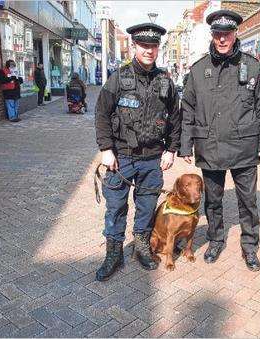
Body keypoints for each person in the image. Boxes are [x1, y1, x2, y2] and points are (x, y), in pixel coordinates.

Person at [179, 10, 260, 272]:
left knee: (247, 201)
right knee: (212, 200)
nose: (222, 39)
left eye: (227, 34)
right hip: (210, 146)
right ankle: (215, 239)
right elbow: (187, 109)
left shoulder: (252, 66)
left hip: (244, 147)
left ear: (235, 34)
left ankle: (250, 246)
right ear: (212, 35)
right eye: (218, 34)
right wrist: (185, 144)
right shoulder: (198, 70)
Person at [94, 22, 181, 281]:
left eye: (153, 46)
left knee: (146, 206)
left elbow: (176, 117)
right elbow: (101, 114)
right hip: (121, 158)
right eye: (144, 45)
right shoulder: (118, 78)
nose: (148, 50)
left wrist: (171, 149)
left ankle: (142, 245)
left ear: (158, 48)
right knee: (116, 207)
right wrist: (106, 149)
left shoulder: (166, 81)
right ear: (135, 46)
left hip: (153, 158)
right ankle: (114, 252)